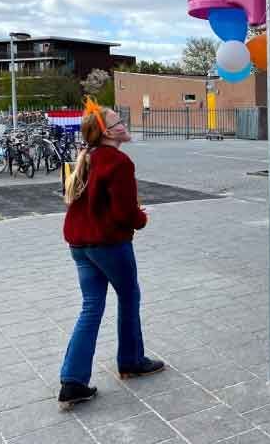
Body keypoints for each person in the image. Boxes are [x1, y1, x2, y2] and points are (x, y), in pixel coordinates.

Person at [58, 100, 163, 410]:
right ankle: (131, 360)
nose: (124, 125)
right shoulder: (118, 162)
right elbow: (123, 213)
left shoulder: (87, 157)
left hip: (80, 244)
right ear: (105, 132)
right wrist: (141, 218)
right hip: (108, 243)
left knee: (91, 307)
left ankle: (72, 381)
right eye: (118, 121)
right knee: (129, 296)